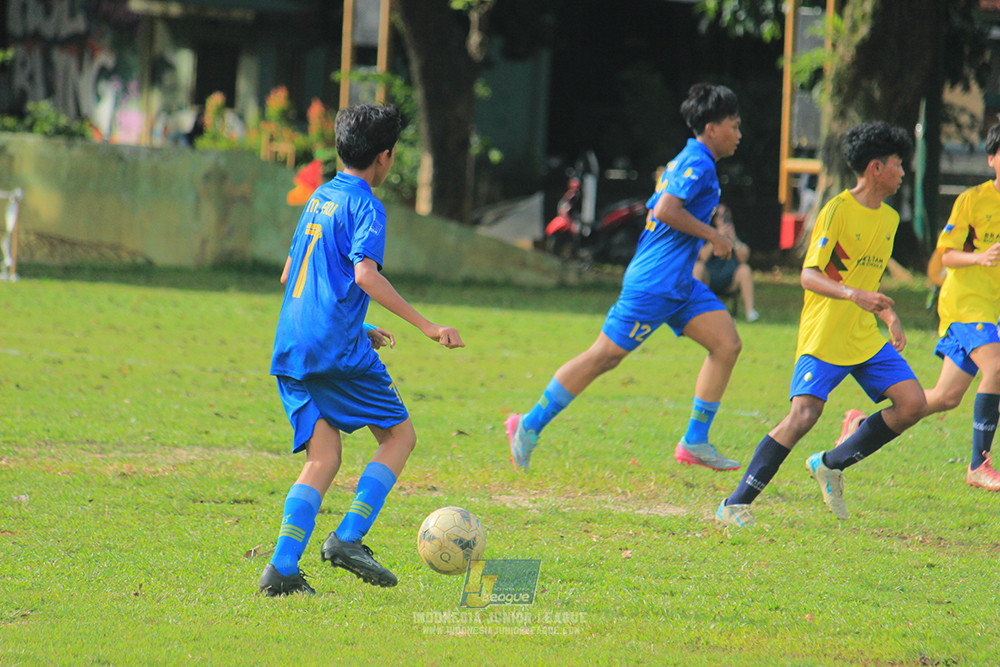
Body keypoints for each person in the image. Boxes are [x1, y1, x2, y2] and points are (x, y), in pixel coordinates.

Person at [258, 104, 465, 596]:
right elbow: (364, 275)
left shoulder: (319, 197)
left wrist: (357, 320)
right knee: (399, 437)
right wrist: (428, 326)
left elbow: (293, 275)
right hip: (332, 349)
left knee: (324, 457)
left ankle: (282, 570)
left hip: (291, 345)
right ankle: (347, 538)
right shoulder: (367, 204)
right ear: (386, 157)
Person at [505, 83, 744, 473]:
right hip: (655, 283)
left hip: (678, 283)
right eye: (734, 125)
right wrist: (714, 235)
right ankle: (527, 425)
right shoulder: (696, 161)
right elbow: (666, 209)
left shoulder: (692, 160)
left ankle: (695, 441)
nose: (739, 134)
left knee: (727, 345)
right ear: (712, 128)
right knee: (604, 357)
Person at [715, 121, 927, 527]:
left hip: (862, 337)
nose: (903, 173)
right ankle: (735, 504)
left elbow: (868, 282)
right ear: (875, 169)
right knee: (804, 416)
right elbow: (809, 275)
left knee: (913, 403)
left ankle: (831, 464)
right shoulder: (837, 210)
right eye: (898, 165)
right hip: (825, 334)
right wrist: (854, 296)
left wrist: (888, 314)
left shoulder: (888, 220)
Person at [910, 123, 1000, 491]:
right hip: (965, 304)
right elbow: (946, 256)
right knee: (996, 367)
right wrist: (979, 259)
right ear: (993, 158)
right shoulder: (973, 200)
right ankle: (979, 464)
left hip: (990, 310)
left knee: (945, 397)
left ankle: (859, 423)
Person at [693, 203, 760, 322]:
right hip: (709, 277)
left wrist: (734, 239)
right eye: (719, 215)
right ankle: (695, 310)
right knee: (698, 268)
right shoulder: (707, 233)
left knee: (745, 269)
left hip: (731, 278)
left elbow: (744, 257)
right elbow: (702, 257)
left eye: (725, 215)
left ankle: (750, 312)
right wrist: (716, 237)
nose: (723, 219)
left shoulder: (738, 234)